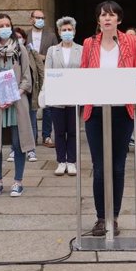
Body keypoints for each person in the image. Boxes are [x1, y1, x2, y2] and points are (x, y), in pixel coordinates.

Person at [80, 0, 136, 236]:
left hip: (121, 110)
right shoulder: (89, 43)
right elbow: (83, 73)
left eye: (112, 15)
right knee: (99, 167)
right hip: (95, 111)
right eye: (103, 15)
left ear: (119, 20)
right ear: (98, 20)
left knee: (117, 166)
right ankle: (100, 217)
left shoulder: (129, 42)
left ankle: (113, 217)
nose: (107, 18)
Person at [0, 14, 36, 197]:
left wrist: (15, 95)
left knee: (19, 143)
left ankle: (18, 181)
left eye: (7, 25)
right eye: (0, 25)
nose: (4, 27)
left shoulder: (20, 49)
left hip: (16, 103)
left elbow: (27, 79)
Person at [44, 16, 83, 176]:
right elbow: (48, 72)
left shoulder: (81, 49)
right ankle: (61, 160)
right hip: (58, 96)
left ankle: (71, 161)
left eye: (69, 29)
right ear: (59, 32)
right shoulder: (52, 50)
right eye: (64, 30)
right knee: (59, 131)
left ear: (74, 31)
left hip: (75, 96)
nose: (67, 32)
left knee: (73, 131)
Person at [26, 9, 58, 148]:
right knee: (32, 105)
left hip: (46, 72)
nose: (40, 20)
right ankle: (32, 136)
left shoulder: (50, 36)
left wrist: (44, 57)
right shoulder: (25, 35)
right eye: (37, 17)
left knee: (48, 105)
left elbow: (56, 53)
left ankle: (46, 136)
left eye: (42, 17)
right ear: (31, 19)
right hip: (31, 73)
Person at [12, 27, 43, 162]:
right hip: (14, 93)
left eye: (21, 37)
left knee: (31, 122)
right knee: (14, 122)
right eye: (16, 37)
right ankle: (14, 149)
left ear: (24, 38)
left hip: (30, 93)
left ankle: (31, 150)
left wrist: (40, 89)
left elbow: (41, 71)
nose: (19, 39)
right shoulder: (9, 52)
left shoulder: (32, 52)